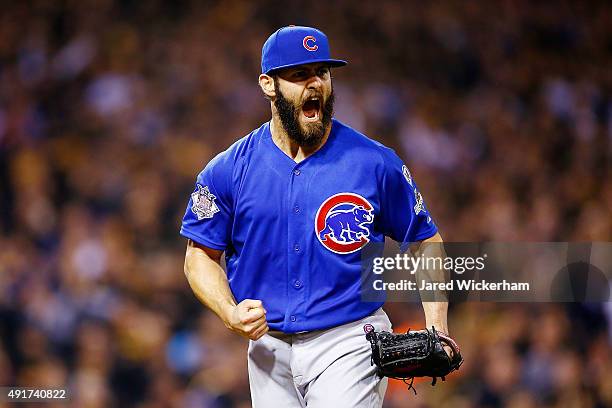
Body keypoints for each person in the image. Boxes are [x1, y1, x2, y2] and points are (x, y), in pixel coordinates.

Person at [180, 25, 450, 407]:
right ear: (268, 85)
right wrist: (227, 310)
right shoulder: (227, 170)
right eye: (298, 75)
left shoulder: (373, 163)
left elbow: (424, 240)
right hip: (268, 347)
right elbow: (199, 256)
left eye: (321, 72)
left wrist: (436, 323)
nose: (314, 84)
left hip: (350, 338)